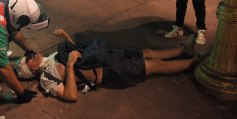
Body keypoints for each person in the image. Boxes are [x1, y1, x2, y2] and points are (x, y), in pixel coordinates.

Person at [15, 29, 205, 102]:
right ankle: (194, 62)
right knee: (154, 65)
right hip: (109, 71)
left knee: (146, 52)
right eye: (28, 58)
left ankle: (182, 51)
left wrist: (66, 37)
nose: (31, 54)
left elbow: (77, 52)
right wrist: (70, 66)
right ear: (31, 70)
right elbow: (71, 96)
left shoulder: (50, 57)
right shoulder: (46, 79)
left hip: (108, 56)